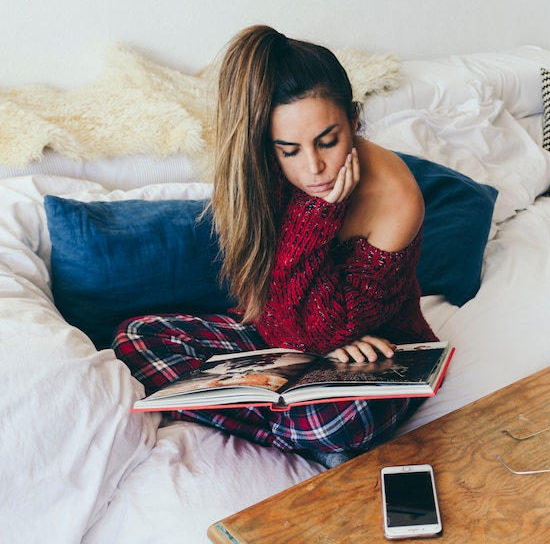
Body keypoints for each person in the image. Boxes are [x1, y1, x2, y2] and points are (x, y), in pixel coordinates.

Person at [112, 25, 437, 467]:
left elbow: (329, 328)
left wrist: (316, 215)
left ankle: (270, 419)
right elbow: (264, 304)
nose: (314, 167)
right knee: (135, 337)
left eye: (329, 141)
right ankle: (284, 423)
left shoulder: (396, 199)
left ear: (354, 119)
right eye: (290, 150)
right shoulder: (262, 169)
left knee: (331, 424)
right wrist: (304, 342)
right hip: (286, 332)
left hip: (375, 347)